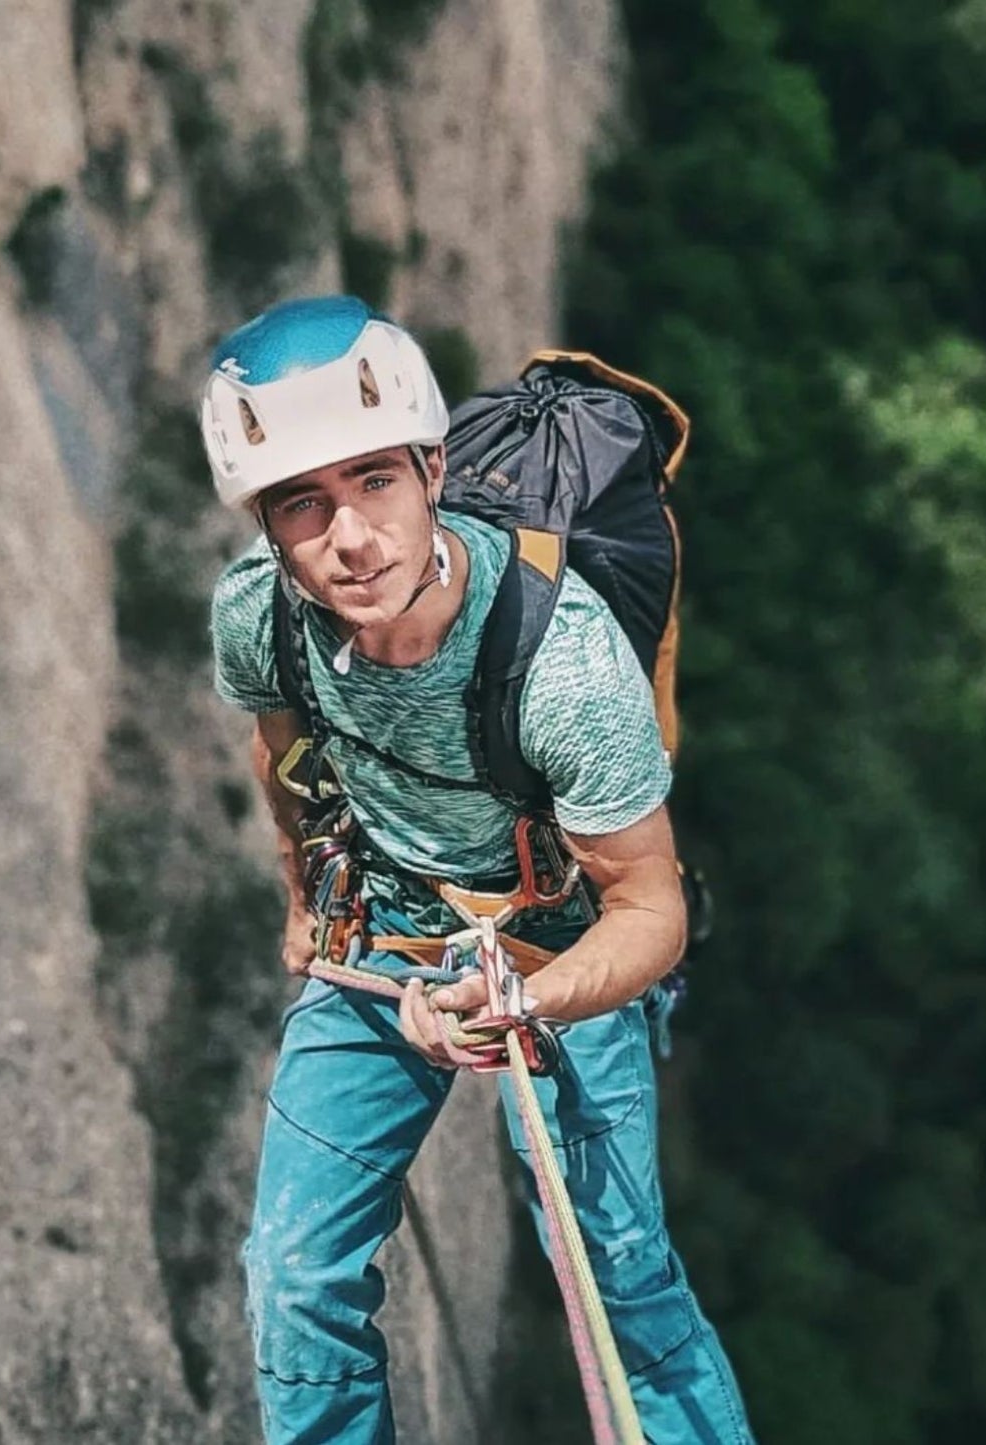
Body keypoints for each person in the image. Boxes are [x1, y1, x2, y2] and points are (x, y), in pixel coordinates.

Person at [205, 295, 755, 1444]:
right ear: (266, 526)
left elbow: (647, 905)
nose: (349, 537)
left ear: (431, 468)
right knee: (295, 1279)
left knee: (618, 1275)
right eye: (302, 502)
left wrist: (529, 993)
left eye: (374, 482)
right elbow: (284, 757)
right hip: (382, 935)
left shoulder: (562, 666)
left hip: (556, 946)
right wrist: (307, 904)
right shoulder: (262, 617)